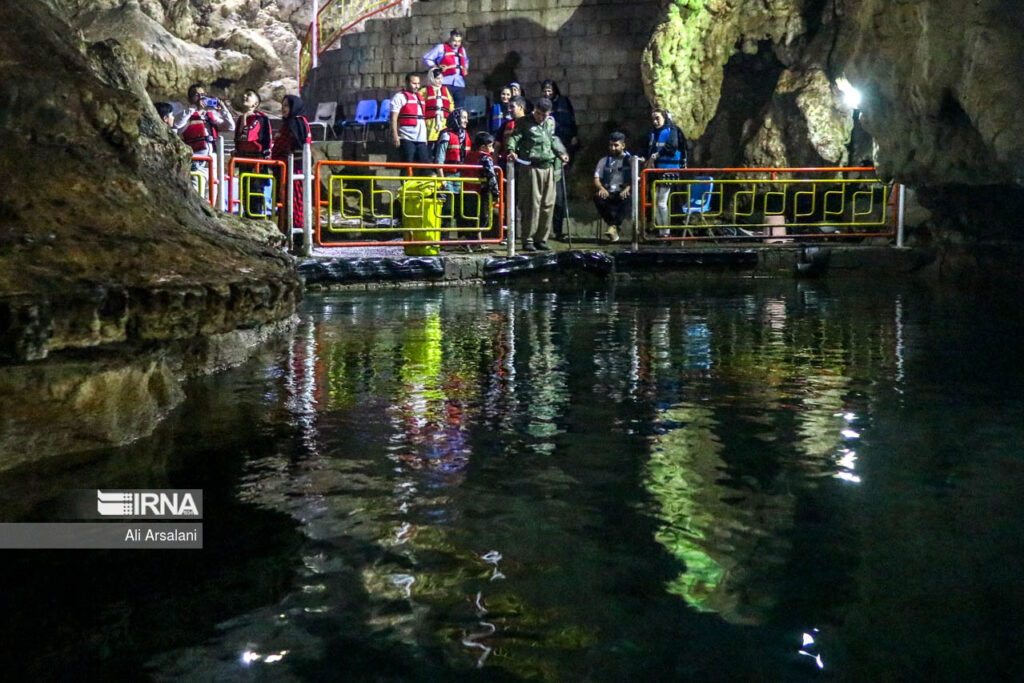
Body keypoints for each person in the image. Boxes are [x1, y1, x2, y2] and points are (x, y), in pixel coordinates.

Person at [505, 97, 569, 252]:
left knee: (548, 204)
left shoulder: (549, 123)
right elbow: (514, 138)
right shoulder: (524, 122)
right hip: (531, 167)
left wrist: (561, 154)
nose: (541, 117)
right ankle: (528, 239)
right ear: (534, 110)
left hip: (548, 167)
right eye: (539, 113)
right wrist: (511, 151)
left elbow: (551, 141)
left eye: (544, 115)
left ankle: (541, 239)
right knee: (532, 204)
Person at [175, 83, 234, 198]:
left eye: (203, 95)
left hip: (213, 162)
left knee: (211, 194)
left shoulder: (211, 116)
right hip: (197, 162)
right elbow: (177, 123)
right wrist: (194, 108)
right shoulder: (186, 115)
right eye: (196, 95)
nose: (201, 97)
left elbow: (231, 127)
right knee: (197, 194)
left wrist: (223, 109)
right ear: (190, 98)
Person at [271, 95, 312, 237]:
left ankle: (297, 232)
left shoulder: (295, 123)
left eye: (287, 105)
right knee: (286, 200)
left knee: (295, 200)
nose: (283, 109)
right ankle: (289, 230)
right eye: (282, 106)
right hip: (286, 169)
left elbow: (292, 145)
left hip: (294, 168)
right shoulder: (290, 123)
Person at [644, 109, 685, 237]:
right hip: (657, 172)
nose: (655, 121)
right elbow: (651, 150)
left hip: (668, 171)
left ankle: (665, 232)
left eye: (658, 118)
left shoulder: (672, 130)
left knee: (661, 202)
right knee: (656, 203)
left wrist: (655, 156)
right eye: (653, 119)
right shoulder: (654, 133)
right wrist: (647, 159)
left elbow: (672, 147)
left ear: (664, 118)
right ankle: (661, 231)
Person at [233, 89, 274, 218]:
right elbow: (238, 139)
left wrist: (245, 117)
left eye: (249, 95)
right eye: (244, 94)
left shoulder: (260, 118)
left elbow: (247, 135)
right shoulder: (240, 118)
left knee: (256, 190)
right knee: (245, 190)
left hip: (257, 161)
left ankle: (256, 216)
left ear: (256, 103)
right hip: (244, 160)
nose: (245, 96)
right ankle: (246, 215)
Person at [433, 108, 470, 246]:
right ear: (456, 119)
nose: (466, 121)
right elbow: (439, 159)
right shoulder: (446, 135)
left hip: (462, 178)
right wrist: (441, 178)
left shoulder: (466, 135)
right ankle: (443, 239)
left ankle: (462, 239)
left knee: (462, 211)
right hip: (448, 177)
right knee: (447, 210)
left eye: (467, 118)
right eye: (464, 118)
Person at [593, 131, 632, 243]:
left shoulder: (630, 161)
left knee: (628, 198)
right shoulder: (604, 161)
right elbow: (596, 178)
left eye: (616, 145)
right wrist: (601, 188)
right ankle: (613, 226)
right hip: (609, 191)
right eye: (611, 145)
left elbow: (635, 179)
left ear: (623, 146)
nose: (613, 148)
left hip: (623, 192)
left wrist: (627, 188)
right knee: (597, 198)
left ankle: (613, 227)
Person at [423, 29, 469, 109]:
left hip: (459, 84)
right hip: (445, 83)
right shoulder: (441, 48)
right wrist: (436, 67)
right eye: (454, 41)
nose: (456, 44)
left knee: (459, 108)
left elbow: (466, 61)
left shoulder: (462, 50)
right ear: (449, 39)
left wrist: (466, 68)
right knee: (446, 107)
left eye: (458, 41)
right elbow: (427, 58)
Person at [390, 72, 429, 165]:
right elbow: (394, 118)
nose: (417, 86)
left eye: (418, 84)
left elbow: (423, 119)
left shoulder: (420, 98)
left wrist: (426, 137)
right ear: (407, 83)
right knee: (407, 164)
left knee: (425, 165)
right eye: (414, 83)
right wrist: (395, 135)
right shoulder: (399, 97)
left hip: (421, 138)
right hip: (406, 137)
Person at [541, 79, 578, 150]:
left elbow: (572, 118)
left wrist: (574, 135)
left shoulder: (564, 101)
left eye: (549, 91)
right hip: (551, 138)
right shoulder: (542, 104)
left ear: (554, 90)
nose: (547, 93)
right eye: (545, 91)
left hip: (566, 136)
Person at [421, 68, 453, 146]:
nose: (440, 81)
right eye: (437, 78)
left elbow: (451, 104)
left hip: (443, 124)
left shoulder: (445, 90)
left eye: (441, 78)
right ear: (431, 78)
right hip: (430, 124)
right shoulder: (424, 91)